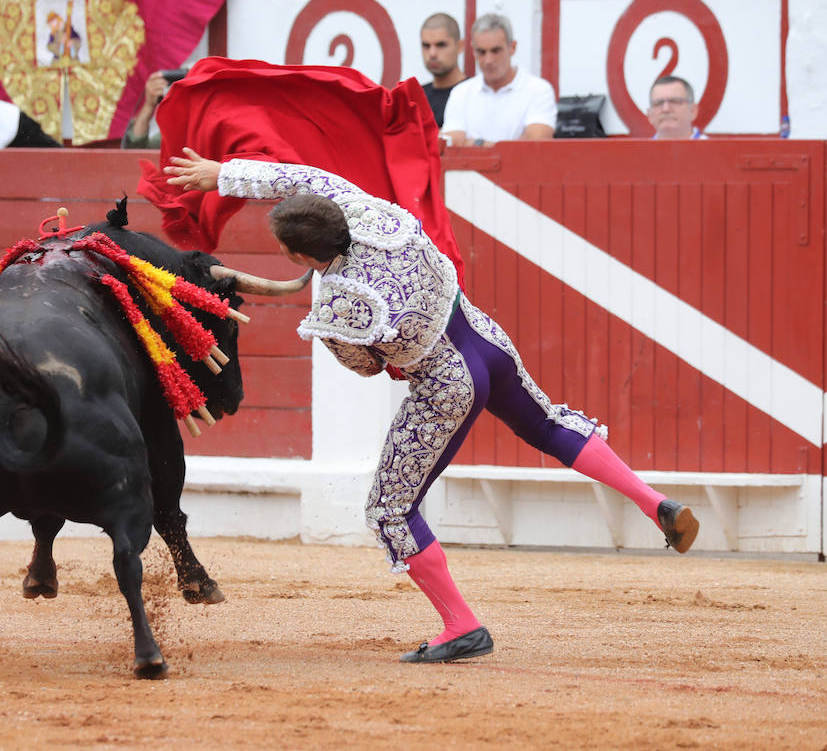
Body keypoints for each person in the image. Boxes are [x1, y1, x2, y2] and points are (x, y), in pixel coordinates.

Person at [161, 151, 701, 664]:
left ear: (301, 257)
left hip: (445, 387)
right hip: (484, 339)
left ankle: (462, 626)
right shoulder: (360, 208)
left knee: (390, 510)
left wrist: (388, 349)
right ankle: (654, 503)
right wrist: (223, 174)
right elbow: (300, 177)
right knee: (547, 423)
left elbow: (368, 367)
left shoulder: (338, 304)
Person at [442, 14, 556, 145]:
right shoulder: (461, 92)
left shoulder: (539, 90)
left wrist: (477, 144)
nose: (488, 60)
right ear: (473, 51)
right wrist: (506, 148)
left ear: (512, 47)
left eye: (496, 51)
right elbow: (453, 145)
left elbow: (535, 145)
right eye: (481, 52)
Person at [419, 12, 465, 127]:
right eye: (426, 45)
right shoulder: (416, 98)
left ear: (460, 46)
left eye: (441, 45)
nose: (432, 53)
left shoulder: (474, 94)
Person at [648, 74, 703, 139]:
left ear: (693, 111)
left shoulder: (715, 149)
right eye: (658, 103)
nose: (666, 109)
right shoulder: (641, 149)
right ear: (649, 115)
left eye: (674, 101)